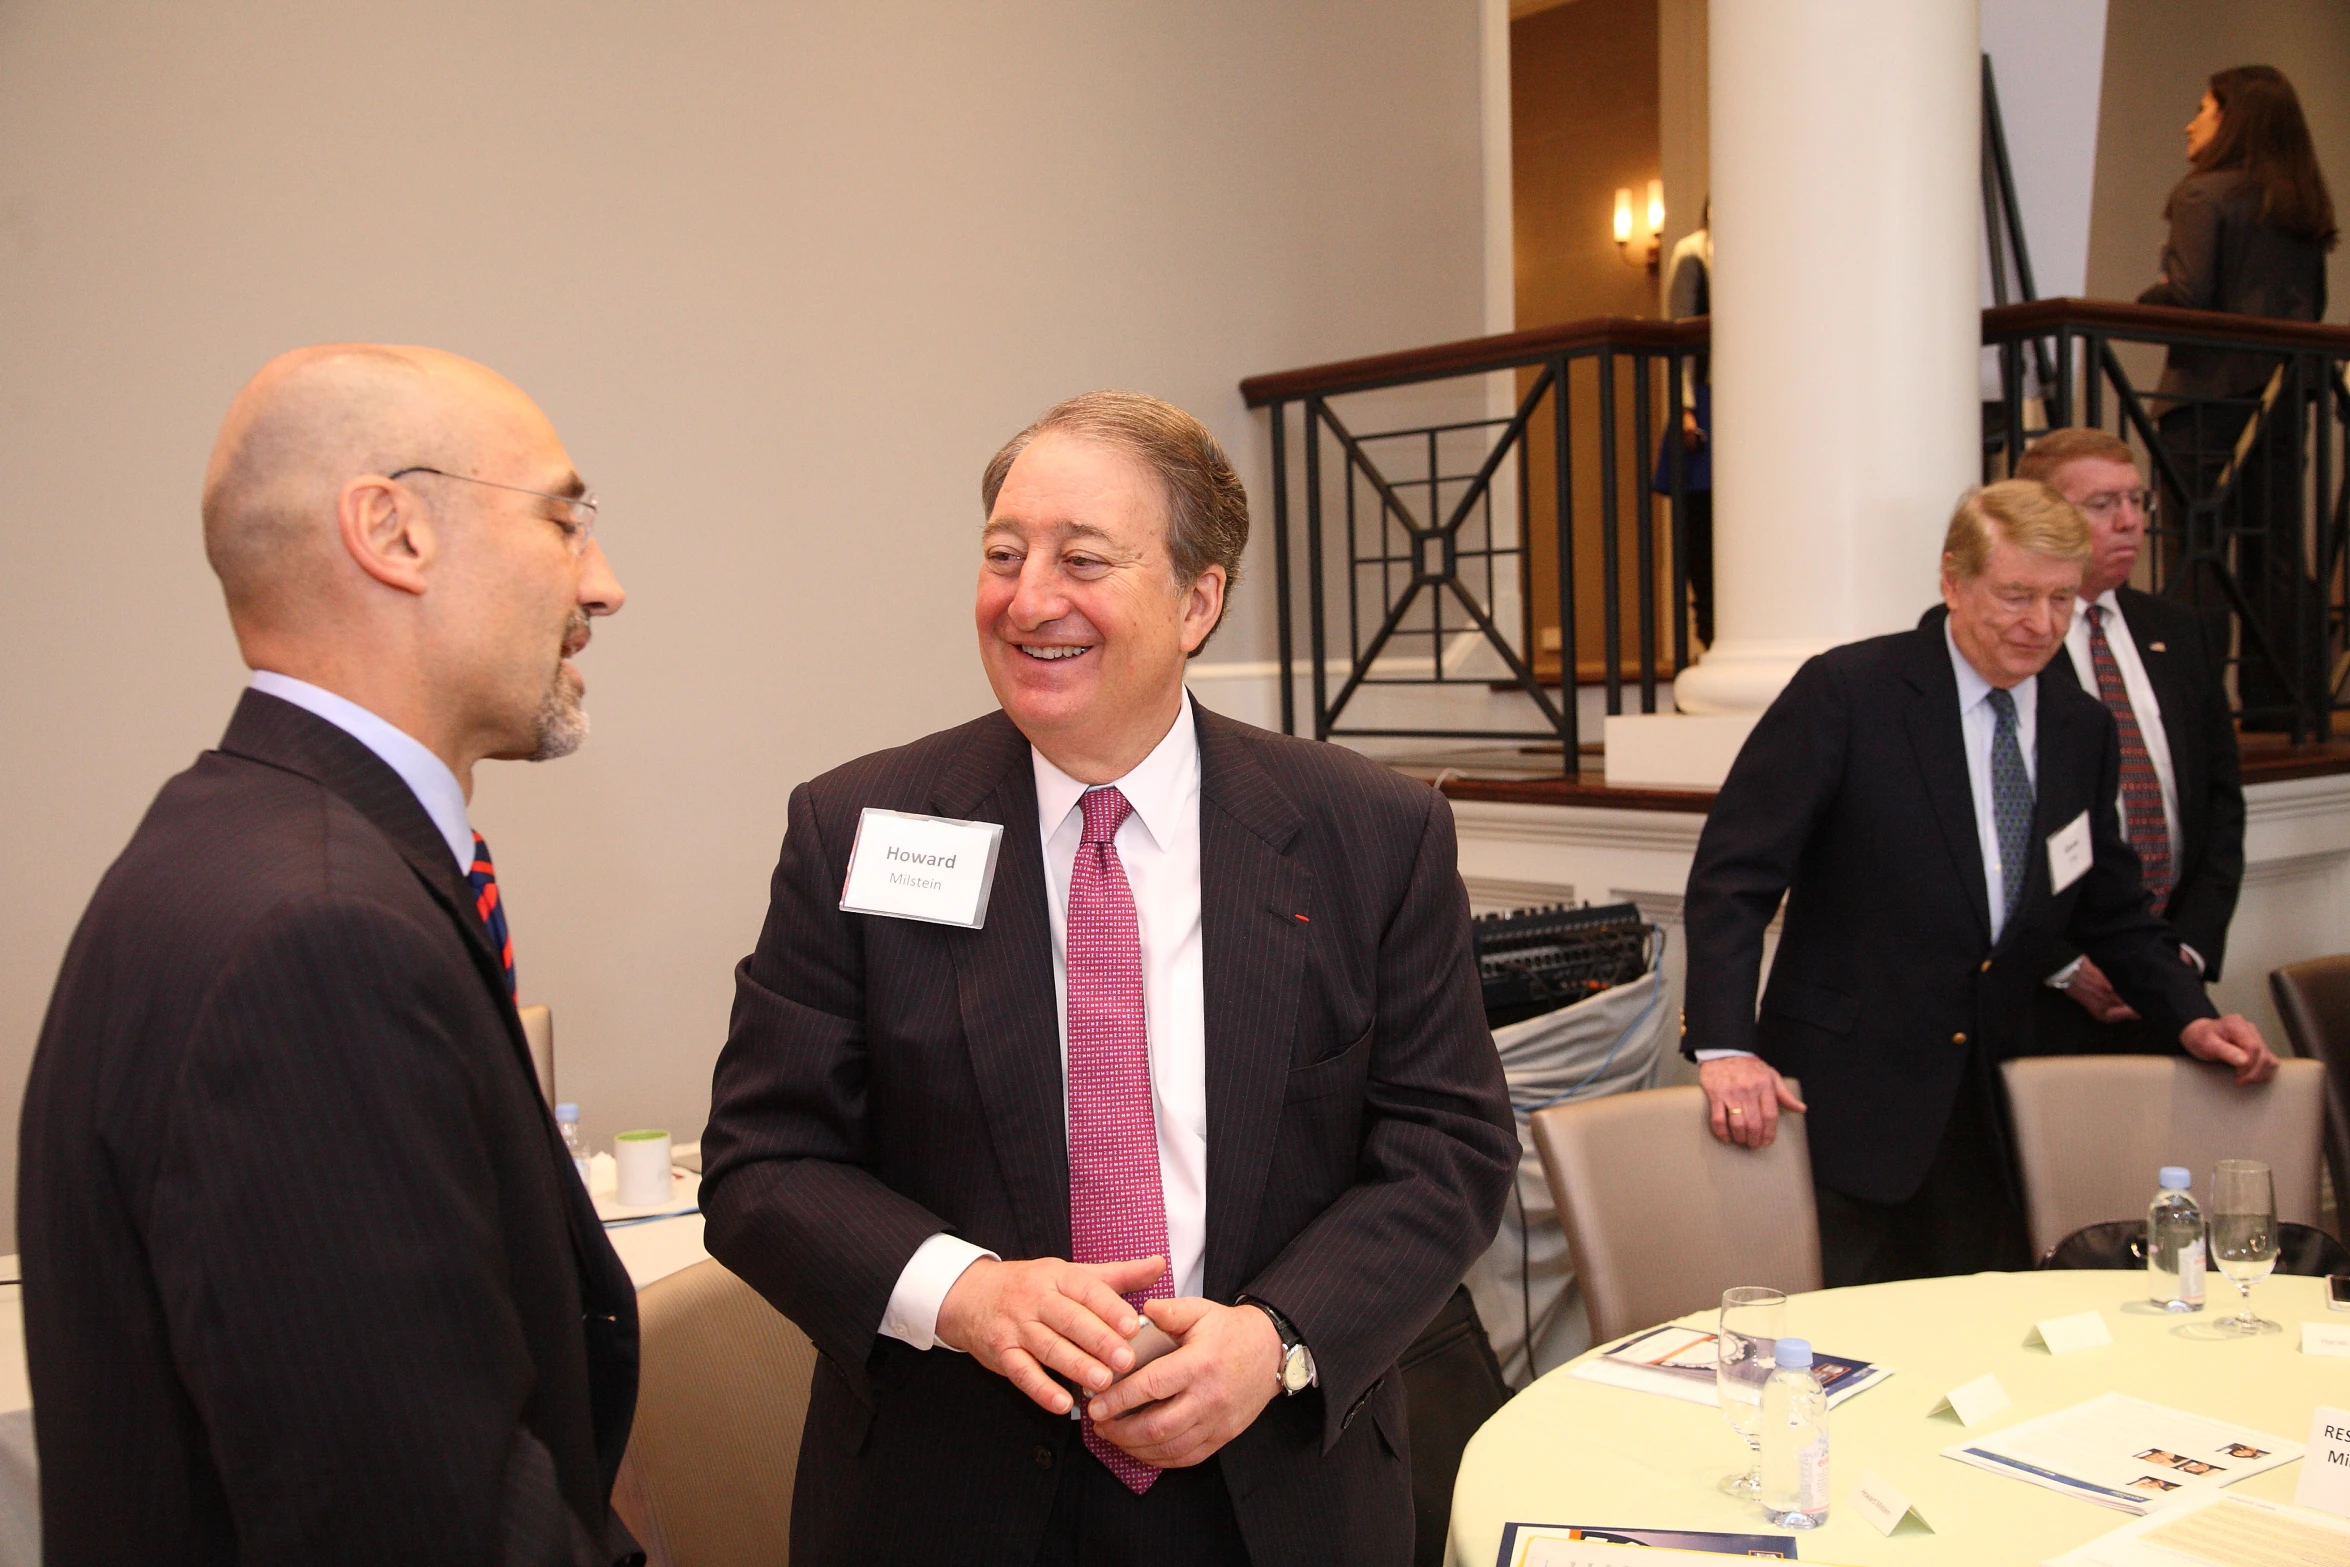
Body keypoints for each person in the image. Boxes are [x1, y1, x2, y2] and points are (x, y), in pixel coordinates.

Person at [701, 390, 1516, 1566]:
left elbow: (1447, 1148)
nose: (1029, 599)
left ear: (1199, 599)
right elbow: (764, 1163)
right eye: (1002, 554)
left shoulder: (1368, 836)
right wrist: (965, 1292)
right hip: (948, 1496)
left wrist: (1277, 1338)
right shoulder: (860, 828)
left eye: (1082, 557)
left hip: (1277, 1488)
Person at [17, 345, 641, 1564]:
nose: (604, 584)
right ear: (392, 531)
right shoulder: (314, 935)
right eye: (565, 519)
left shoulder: (242, 843)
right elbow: (420, 1521)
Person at [1681, 480, 2278, 1287]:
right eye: (2017, 595)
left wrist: (2190, 1015)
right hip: (1848, 1097)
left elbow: (2110, 907)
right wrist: (1725, 1046)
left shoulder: (2079, 725)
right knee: (1844, 1346)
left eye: (2062, 599)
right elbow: (1734, 876)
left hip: (1991, 1105)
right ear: (1953, 580)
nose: (2041, 624)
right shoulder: (1851, 692)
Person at [2015, 429, 2244, 1054]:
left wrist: (2185, 953)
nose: (2130, 522)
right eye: (2102, 505)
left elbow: (2221, 805)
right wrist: (2065, 965)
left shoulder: (2179, 628)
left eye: (2136, 500)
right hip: (2043, 995)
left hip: (2169, 983)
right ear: (2043, 514)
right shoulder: (2007, 638)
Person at [2137, 65, 2336, 723]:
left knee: (2196, 551)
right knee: (2274, 551)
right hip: (2279, 400)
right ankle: (2284, 704)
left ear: (2234, 119)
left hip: (2203, 398)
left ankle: (2195, 708)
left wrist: (2147, 301)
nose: (2190, 122)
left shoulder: (2204, 195)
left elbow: (2190, 298)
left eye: (2203, 109)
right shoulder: (2300, 210)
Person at [1656, 202, 1714, 645]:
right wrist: (1686, 406)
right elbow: (1680, 336)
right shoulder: (1693, 253)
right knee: (1701, 531)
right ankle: (1708, 632)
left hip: (1751, 406)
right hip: (1707, 403)